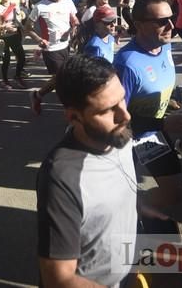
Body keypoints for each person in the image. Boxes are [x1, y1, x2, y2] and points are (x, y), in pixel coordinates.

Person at [37, 54, 137, 287]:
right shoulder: (61, 177)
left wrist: (141, 207)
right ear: (74, 117)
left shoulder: (118, 134)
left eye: (122, 100)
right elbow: (58, 279)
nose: (125, 115)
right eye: (106, 110)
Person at [114, 0, 182, 212]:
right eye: (160, 21)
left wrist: (170, 104)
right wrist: (163, 125)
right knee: (122, 192)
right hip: (128, 142)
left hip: (154, 135)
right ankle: (128, 218)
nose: (171, 25)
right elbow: (115, 121)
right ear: (138, 25)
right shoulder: (127, 64)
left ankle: (137, 211)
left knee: (174, 194)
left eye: (172, 17)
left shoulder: (165, 46)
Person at [26, 0, 79, 115]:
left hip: (66, 45)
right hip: (50, 48)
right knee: (63, 79)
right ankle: (71, 110)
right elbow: (28, 28)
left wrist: (74, 25)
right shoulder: (39, 7)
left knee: (58, 79)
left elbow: (74, 18)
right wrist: (39, 40)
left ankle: (37, 95)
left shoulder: (68, 2)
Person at [0, 0, 27, 89]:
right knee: (6, 60)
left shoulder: (14, 6)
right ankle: (5, 81)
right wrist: (3, 26)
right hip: (3, 37)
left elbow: (19, 18)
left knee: (22, 57)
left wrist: (22, 25)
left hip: (15, 35)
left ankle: (17, 76)